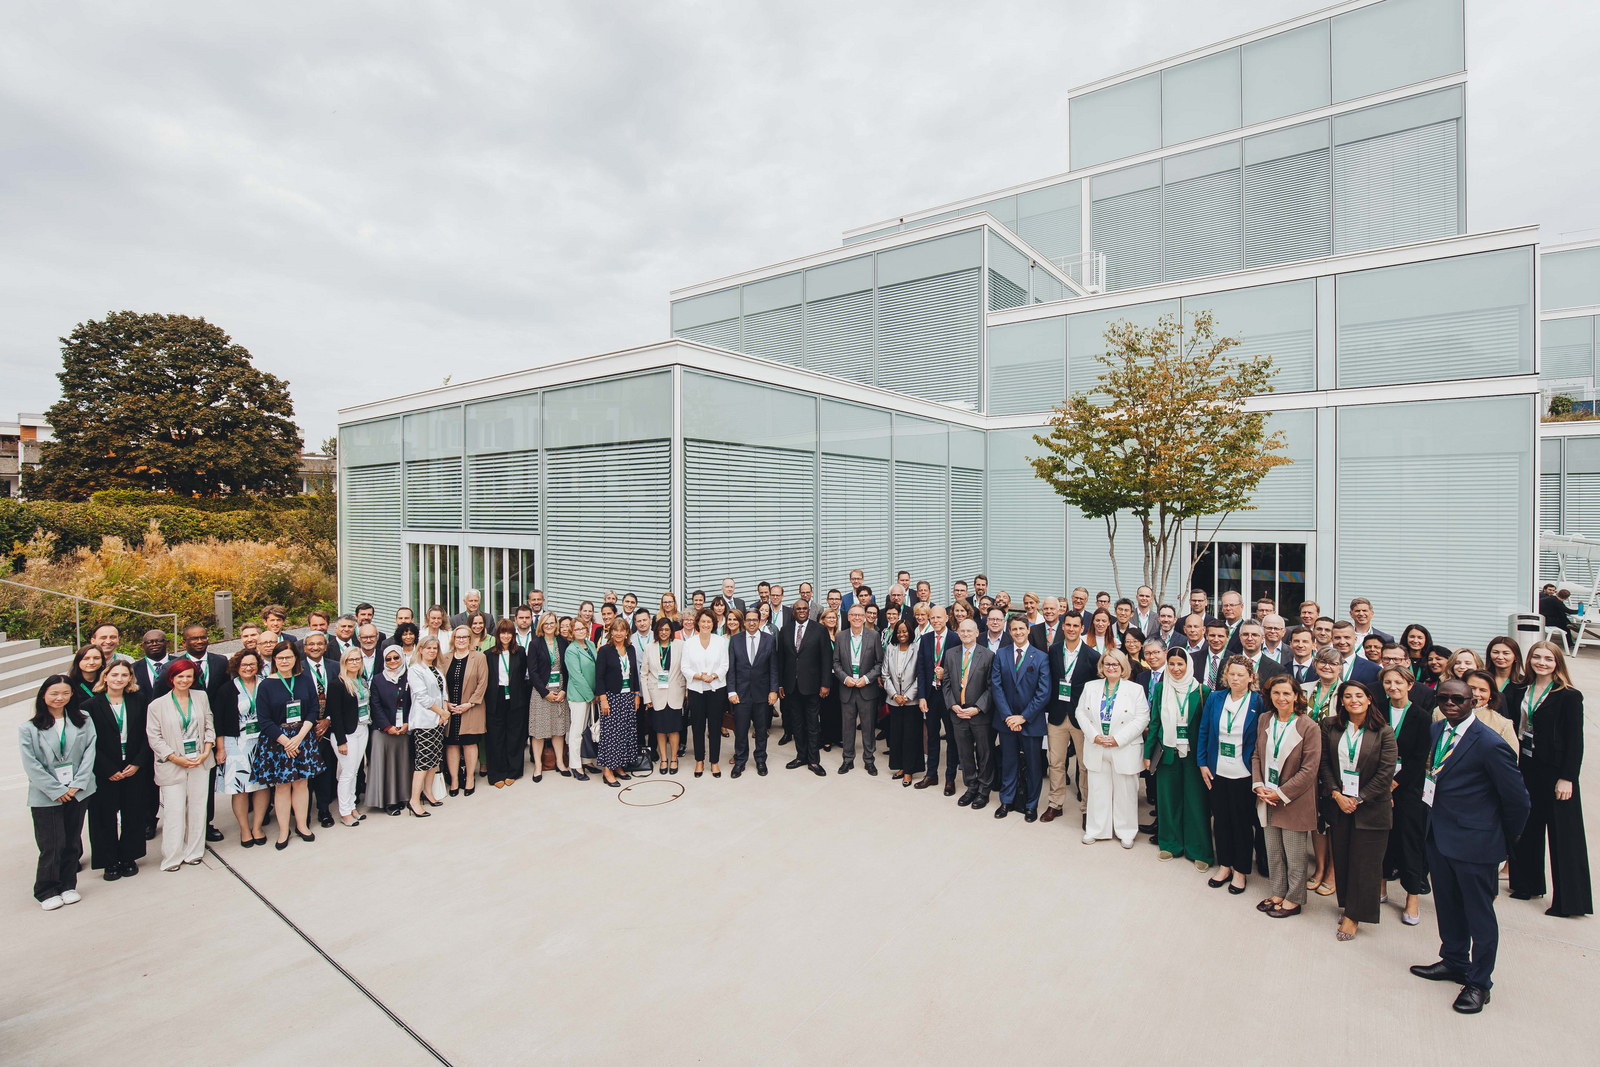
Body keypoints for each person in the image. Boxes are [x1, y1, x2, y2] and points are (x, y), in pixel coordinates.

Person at [1410, 678, 1531, 1015]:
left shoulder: (1490, 744)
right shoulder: (1437, 732)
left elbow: (1518, 801)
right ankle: (1453, 961)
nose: (1451, 704)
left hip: (1477, 844)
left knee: (1479, 916)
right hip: (1440, 837)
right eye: (1444, 698)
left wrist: (1506, 839)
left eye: (1459, 699)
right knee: (1447, 905)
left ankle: (1479, 982)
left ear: (1473, 702)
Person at [1508, 641, 1592, 917]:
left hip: (1556, 772)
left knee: (1563, 836)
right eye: (1537, 657)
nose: (1541, 662)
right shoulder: (1521, 688)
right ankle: (1526, 885)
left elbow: (1574, 742)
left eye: (1548, 658)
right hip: (1527, 767)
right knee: (1528, 827)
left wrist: (1568, 777)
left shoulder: (1568, 695)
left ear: (1557, 662)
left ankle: (1569, 902)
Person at [1320, 680, 1398, 941]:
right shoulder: (1330, 726)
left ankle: (1354, 917)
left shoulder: (1384, 732)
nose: (1353, 700)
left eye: (1359, 695)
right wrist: (1336, 794)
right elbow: (1324, 764)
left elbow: (1386, 773)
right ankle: (1347, 906)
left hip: (1371, 808)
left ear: (1369, 699)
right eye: (1348, 696)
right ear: (1341, 701)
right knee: (1342, 859)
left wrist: (1358, 798)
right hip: (1339, 804)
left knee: (1365, 864)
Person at [21, 676, 97, 909]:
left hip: (78, 791)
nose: (59, 698)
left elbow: (89, 752)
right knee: (52, 844)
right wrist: (56, 790)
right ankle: (46, 889)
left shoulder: (83, 720)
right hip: (46, 795)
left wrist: (77, 785)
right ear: (43, 695)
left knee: (72, 841)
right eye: (54, 693)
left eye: (65, 693)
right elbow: (31, 765)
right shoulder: (29, 728)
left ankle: (67, 885)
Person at [1251, 675, 1322, 917]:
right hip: (1267, 797)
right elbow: (1257, 756)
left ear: (1296, 696)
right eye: (1276, 693)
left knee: (1294, 854)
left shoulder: (1308, 726)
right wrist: (1258, 785)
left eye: (1286, 693)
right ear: (1269, 696)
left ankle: (1294, 899)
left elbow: (1309, 770)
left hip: (1293, 800)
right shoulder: (1264, 719)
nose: (1281, 698)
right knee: (1273, 851)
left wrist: (1280, 793)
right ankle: (1278, 892)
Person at [1198, 658, 1263, 892]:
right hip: (1217, 770)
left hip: (1244, 772)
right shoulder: (1216, 698)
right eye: (1231, 674)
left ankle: (1241, 871)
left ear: (1251, 677)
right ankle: (1225, 865)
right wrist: (1202, 762)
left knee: (1242, 824)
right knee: (1221, 821)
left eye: (1240, 675)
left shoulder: (1259, 702)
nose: (1235, 679)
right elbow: (1204, 730)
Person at [146, 659, 216, 871]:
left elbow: (209, 725)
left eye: (189, 676)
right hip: (173, 764)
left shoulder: (201, 697)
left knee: (197, 807)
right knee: (175, 810)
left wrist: (206, 752)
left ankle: (194, 851)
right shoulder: (157, 705)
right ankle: (172, 856)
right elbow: (154, 737)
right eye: (180, 676)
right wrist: (175, 758)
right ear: (171, 678)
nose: (184, 680)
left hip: (199, 761)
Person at [1075, 648, 1150, 845]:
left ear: (1123, 666)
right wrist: (1094, 736)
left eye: (1115, 664)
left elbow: (1143, 718)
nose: (1111, 667)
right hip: (1097, 746)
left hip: (1124, 747)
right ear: (1101, 666)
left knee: (1125, 793)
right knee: (1098, 791)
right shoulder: (1090, 686)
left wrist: (1118, 739)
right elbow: (1080, 713)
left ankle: (1126, 832)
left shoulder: (1135, 690)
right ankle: (1096, 830)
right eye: (1107, 664)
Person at [252, 642, 323, 848]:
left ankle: (301, 825)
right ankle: (284, 830)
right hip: (277, 741)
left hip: (302, 737)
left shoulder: (305, 679)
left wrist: (299, 737)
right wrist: (286, 742)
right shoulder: (265, 685)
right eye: (280, 658)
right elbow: (263, 720)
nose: (285, 661)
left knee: (302, 783)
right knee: (282, 787)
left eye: (289, 657)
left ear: (295, 659)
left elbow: (313, 709)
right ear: (274, 660)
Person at [1144, 646, 1210, 867]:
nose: (1175, 668)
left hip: (1193, 757)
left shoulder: (1202, 691)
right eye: (1171, 664)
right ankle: (1170, 844)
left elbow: (1204, 729)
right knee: (1168, 801)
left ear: (1188, 665)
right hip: (1167, 753)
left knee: (1195, 803)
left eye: (1180, 664)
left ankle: (1198, 849)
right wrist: (1147, 753)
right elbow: (1155, 723)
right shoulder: (1162, 688)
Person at [83, 660, 149, 878]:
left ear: (131, 678)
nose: (119, 679)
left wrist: (138, 762)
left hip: (133, 766)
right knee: (104, 817)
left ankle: (129, 857)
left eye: (124, 675)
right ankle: (109, 861)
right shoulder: (90, 705)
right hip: (105, 769)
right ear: (105, 677)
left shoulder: (138, 700)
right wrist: (106, 768)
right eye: (114, 675)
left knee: (134, 813)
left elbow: (146, 734)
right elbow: (87, 743)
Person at [1380, 665, 1431, 926]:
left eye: (1398, 682)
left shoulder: (1421, 716)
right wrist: (1382, 785)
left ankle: (1412, 896)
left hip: (1408, 787)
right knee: (1382, 837)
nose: (1393, 687)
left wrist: (1394, 785)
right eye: (1388, 682)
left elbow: (1419, 759)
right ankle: (1381, 885)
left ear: (1410, 685)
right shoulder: (1377, 711)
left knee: (1410, 840)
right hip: (1379, 783)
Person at [1043, 611, 1099, 825]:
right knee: (1055, 762)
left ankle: (1086, 808)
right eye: (1068, 625)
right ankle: (1055, 804)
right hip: (1057, 715)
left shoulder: (1092, 655)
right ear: (1063, 626)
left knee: (1084, 765)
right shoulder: (1054, 650)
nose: (1071, 629)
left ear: (1082, 628)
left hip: (1081, 718)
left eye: (1076, 625)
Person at [214, 649, 270, 844]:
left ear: (258, 666)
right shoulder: (227, 689)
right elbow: (218, 721)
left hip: (264, 743)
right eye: (244, 664)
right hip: (236, 744)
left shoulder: (266, 685)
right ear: (237, 666)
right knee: (240, 789)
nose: (248, 668)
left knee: (262, 785)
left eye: (252, 664)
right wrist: (220, 749)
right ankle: (244, 829)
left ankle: (257, 827)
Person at [943, 618, 996, 808]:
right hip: (957, 713)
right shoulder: (950, 654)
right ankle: (971, 786)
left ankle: (983, 790)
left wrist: (978, 708)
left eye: (969, 631)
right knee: (964, 754)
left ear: (976, 633)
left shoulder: (988, 655)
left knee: (984, 753)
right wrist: (953, 705)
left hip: (979, 714)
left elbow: (991, 688)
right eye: (962, 631)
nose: (965, 634)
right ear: (958, 633)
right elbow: (946, 684)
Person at [779, 598, 831, 777]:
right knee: (797, 723)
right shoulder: (785, 630)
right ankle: (801, 756)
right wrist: (780, 684)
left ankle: (814, 760)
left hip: (813, 686)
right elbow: (782, 659)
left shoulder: (820, 629)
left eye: (804, 608)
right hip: (791, 686)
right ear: (793, 612)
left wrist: (825, 684)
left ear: (809, 611)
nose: (801, 611)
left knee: (812, 723)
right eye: (797, 609)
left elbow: (826, 658)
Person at [727, 605, 777, 778]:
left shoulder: (769, 640)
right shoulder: (736, 640)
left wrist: (773, 690)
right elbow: (731, 668)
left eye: (755, 619)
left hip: (762, 693)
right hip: (740, 693)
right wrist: (731, 691)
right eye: (748, 620)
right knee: (741, 729)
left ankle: (760, 759)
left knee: (761, 729)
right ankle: (740, 761)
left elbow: (773, 668)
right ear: (744, 622)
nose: (752, 623)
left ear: (760, 620)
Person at [324, 647, 371, 827]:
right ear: (344, 662)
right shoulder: (337, 684)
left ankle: (352, 807)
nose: (354, 662)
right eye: (350, 660)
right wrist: (341, 740)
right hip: (346, 734)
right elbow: (335, 715)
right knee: (347, 773)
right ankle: (344, 812)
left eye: (357, 659)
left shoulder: (362, 681)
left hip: (362, 729)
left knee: (356, 771)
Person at [832, 604, 881, 775]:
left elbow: (879, 663)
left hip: (866, 688)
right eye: (854, 615)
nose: (857, 618)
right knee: (847, 726)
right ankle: (848, 760)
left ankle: (869, 760)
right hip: (847, 688)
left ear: (865, 616)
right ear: (848, 617)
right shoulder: (841, 637)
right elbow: (836, 662)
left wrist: (866, 679)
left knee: (868, 727)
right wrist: (845, 678)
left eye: (860, 614)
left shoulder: (874, 636)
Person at [914, 605, 958, 794]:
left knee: (951, 737)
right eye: (933, 618)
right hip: (930, 696)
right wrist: (922, 696)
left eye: (939, 618)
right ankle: (931, 774)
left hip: (949, 696)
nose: (936, 621)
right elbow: (921, 669)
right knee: (932, 736)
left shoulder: (956, 638)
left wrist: (945, 673)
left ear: (947, 618)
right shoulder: (925, 639)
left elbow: (961, 669)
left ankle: (950, 778)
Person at [440, 626, 488, 795]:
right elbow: (439, 683)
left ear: (470, 639)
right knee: (452, 745)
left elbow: (483, 683)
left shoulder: (479, 657)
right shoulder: (444, 658)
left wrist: (470, 704)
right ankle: (454, 780)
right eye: (458, 637)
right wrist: (446, 703)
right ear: (453, 639)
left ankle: (469, 778)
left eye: (464, 637)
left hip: (471, 708)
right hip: (450, 710)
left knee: (469, 743)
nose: (461, 640)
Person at [682, 608, 729, 778]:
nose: (706, 624)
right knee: (698, 727)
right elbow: (684, 667)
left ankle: (714, 762)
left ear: (713, 624)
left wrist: (713, 676)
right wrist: (699, 676)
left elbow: (725, 665)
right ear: (698, 623)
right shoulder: (689, 643)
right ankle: (699, 761)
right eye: (703, 621)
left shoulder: (721, 641)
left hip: (716, 689)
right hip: (696, 690)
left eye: (709, 621)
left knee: (715, 727)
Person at [595, 618, 642, 787]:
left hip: (628, 696)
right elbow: (599, 677)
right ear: (611, 632)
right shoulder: (605, 651)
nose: (619, 633)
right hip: (611, 697)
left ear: (627, 632)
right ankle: (608, 770)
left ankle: (619, 765)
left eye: (622, 630)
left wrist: (637, 694)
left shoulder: (631, 649)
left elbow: (634, 673)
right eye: (615, 630)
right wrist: (603, 699)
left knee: (625, 732)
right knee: (611, 734)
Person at [405, 637, 449, 816]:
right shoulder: (415, 670)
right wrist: (442, 712)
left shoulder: (437, 669)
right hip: (425, 722)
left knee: (434, 759)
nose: (432, 651)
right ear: (420, 650)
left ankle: (428, 792)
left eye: (435, 648)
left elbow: (443, 693)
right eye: (428, 648)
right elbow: (422, 697)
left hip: (438, 720)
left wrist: (444, 712)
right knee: (423, 761)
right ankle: (414, 801)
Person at [367, 646, 413, 816]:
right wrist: (387, 726)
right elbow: (375, 705)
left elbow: (413, 702)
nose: (393, 661)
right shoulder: (378, 679)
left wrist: (408, 722)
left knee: (402, 765)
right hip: (384, 731)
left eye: (396, 658)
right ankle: (388, 801)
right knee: (385, 767)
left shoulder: (409, 677)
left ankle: (402, 797)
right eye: (389, 659)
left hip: (404, 730)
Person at [483, 620, 527, 788]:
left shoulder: (520, 652)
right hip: (496, 697)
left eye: (509, 632)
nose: (506, 636)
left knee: (514, 735)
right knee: (495, 736)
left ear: (513, 635)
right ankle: (497, 773)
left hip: (516, 697)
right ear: (497, 634)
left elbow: (523, 675)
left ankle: (513, 771)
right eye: (502, 632)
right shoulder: (489, 654)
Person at [529, 611, 572, 779]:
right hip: (541, 691)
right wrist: (545, 693)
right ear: (541, 625)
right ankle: (538, 766)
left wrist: (564, 690)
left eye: (551, 623)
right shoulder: (535, 644)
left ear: (556, 624)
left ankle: (560, 762)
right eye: (545, 623)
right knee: (539, 731)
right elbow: (532, 672)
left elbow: (567, 668)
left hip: (560, 690)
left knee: (558, 729)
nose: (548, 626)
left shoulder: (562, 642)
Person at [642, 616, 686, 775]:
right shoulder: (649, 647)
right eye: (661, 629)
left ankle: (673, 759)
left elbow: (685, 670)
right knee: (660, 729)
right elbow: (644, 674)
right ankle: (664, 759)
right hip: (656, 695)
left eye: (667, 629)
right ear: (656, 631)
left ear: (671, 631)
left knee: (674, 729)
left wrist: (686, 693)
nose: (664, 632)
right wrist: (646, 697)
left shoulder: (680, 645)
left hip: (675, 693)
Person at [881, 619, 920, 786]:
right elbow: (884, 674)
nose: (902, 634)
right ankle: (901, 766)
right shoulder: (890, 648)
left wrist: (907, 696)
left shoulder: (917, 648)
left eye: (904, 631)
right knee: (897, 735)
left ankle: (909, 770)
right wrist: (895, 695)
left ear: (910, 632)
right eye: (899, 632)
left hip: (911, 701)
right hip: (894, 700)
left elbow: (921, 675)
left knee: (910, 736)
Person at [564, 610, 598, 781]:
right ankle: (576, 765)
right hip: (579, 696)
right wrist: (590, 696)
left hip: (591, 695)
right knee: (577, 731)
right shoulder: (571, 650)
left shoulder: (590, 645)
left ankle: (587, 761)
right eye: (576, 629)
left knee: (586, 731)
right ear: (572, 632)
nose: (580, 631)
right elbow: (577, 676)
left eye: (582, 628)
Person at [1459, 669, 1519, 753]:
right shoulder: (1440, 713)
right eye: (1472, 688)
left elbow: (1510, 761)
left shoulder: (1503, 725)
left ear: (1491, 694)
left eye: (1483, 690)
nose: (1476, 693)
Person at [66, 645, 105, 715]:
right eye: (86, 659)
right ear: (78, 661)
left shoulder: (108, 682)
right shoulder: (70, 684)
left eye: (96, 658)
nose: (91, 662)